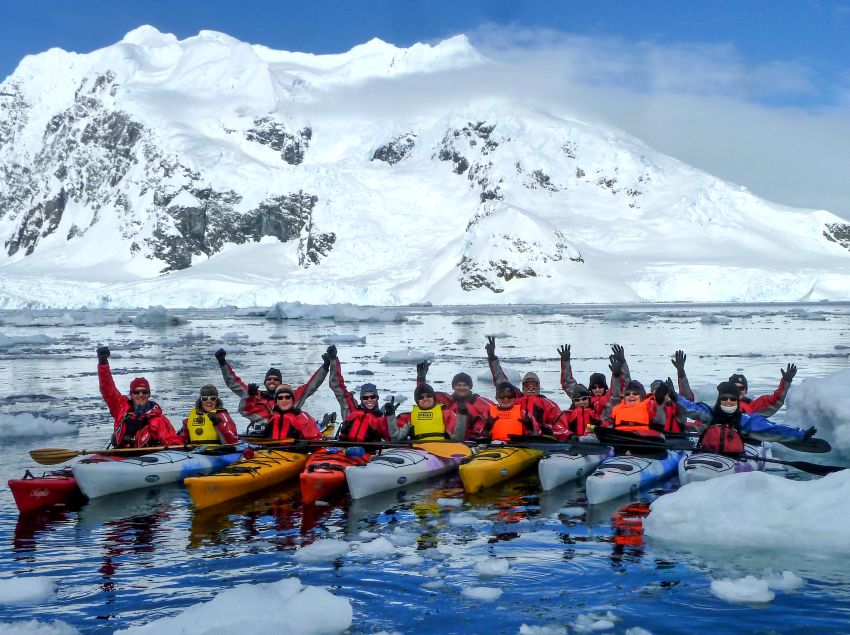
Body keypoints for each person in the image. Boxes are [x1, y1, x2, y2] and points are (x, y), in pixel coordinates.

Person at [215, 345, 331, 436]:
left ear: (280, 383)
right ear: (265, 382)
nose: (272, 381)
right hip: (262, 436)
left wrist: (325, 366)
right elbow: (233, 383)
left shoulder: (291, 397)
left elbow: (311, 386)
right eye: (269, 379)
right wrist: (222, 362)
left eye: (276, 380)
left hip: (287, 436)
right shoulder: (254, 395)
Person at [673, 379, 815, 447]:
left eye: (732, 399)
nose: (728, 402)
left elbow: (773, 429)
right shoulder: (709, 414)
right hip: (708, 453)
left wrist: (801, 433)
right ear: (719, 400)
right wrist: (674, 397)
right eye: (724, 399)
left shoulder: (746, 420)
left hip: (737, 454)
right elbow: (690, 408)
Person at [96, 346, 182, 448]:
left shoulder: (159, 420)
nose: (140, 395)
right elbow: (107, 388)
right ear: (131, 395)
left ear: (149, 394)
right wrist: (103, 363)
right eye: (136, 392)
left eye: (144, 392)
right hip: (120, 457)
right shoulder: (121, 408)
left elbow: (173, 442)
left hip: (148, 460)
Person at [485, 336, 561, 434]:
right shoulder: (515, 398)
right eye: (527, 385)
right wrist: (492, 358)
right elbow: (501, 380)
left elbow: (559, 423)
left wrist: (546, 428)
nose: (530, 388)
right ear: (522, 387)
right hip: (516, 435)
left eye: (533, 385)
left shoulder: (548, 404)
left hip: (539, 436)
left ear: (538, 386)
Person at [415, 360, 492, 438]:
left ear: (470, 387)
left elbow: (499, 409)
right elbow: (424, 396)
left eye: (465, 385)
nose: (461, 388)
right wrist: (421, 378)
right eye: (458, 385)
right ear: (453, 387)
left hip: (475, 438)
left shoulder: (479, 402)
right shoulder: (445, 400)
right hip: (448, 437)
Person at [328, 355, 392, 443]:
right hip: (346, 451)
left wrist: (391, 417)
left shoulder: (381, 418)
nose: (369, 400)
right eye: (365, 397)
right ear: (361, 399)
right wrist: (333, 360)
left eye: (372, 397)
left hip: (369, 454)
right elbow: (337, 386)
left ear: (377, 398)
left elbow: (391, 437)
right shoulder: (352, 411)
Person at [559, 344, 631, 418]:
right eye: (594, 387)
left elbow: (625, 386)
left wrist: (622, 364)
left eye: (600, 387)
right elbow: (568, 383)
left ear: (605, 387)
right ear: (590, 388)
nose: (597, 390)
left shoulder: (611, 397)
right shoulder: (583, 397)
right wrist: (565, 361)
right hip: (587, 426)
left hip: (604, 427)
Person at [389, 383, 466, 442]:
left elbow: (458, 438)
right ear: (417, 401)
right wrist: (390, 415)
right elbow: (396, 438)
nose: (425, 399)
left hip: (442, 450)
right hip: (418, 451)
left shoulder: (446, 413)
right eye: (421, 397)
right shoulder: (409, 417)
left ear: (433, 398)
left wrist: (462, 416)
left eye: (428, 396)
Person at [728, 364, 797, 416]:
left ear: (746, 391)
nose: (738, 391)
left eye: (741, 388)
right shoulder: (720, 405)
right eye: (735, 388)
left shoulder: (753, 408)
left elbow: (775, 399)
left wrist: (786, 381)